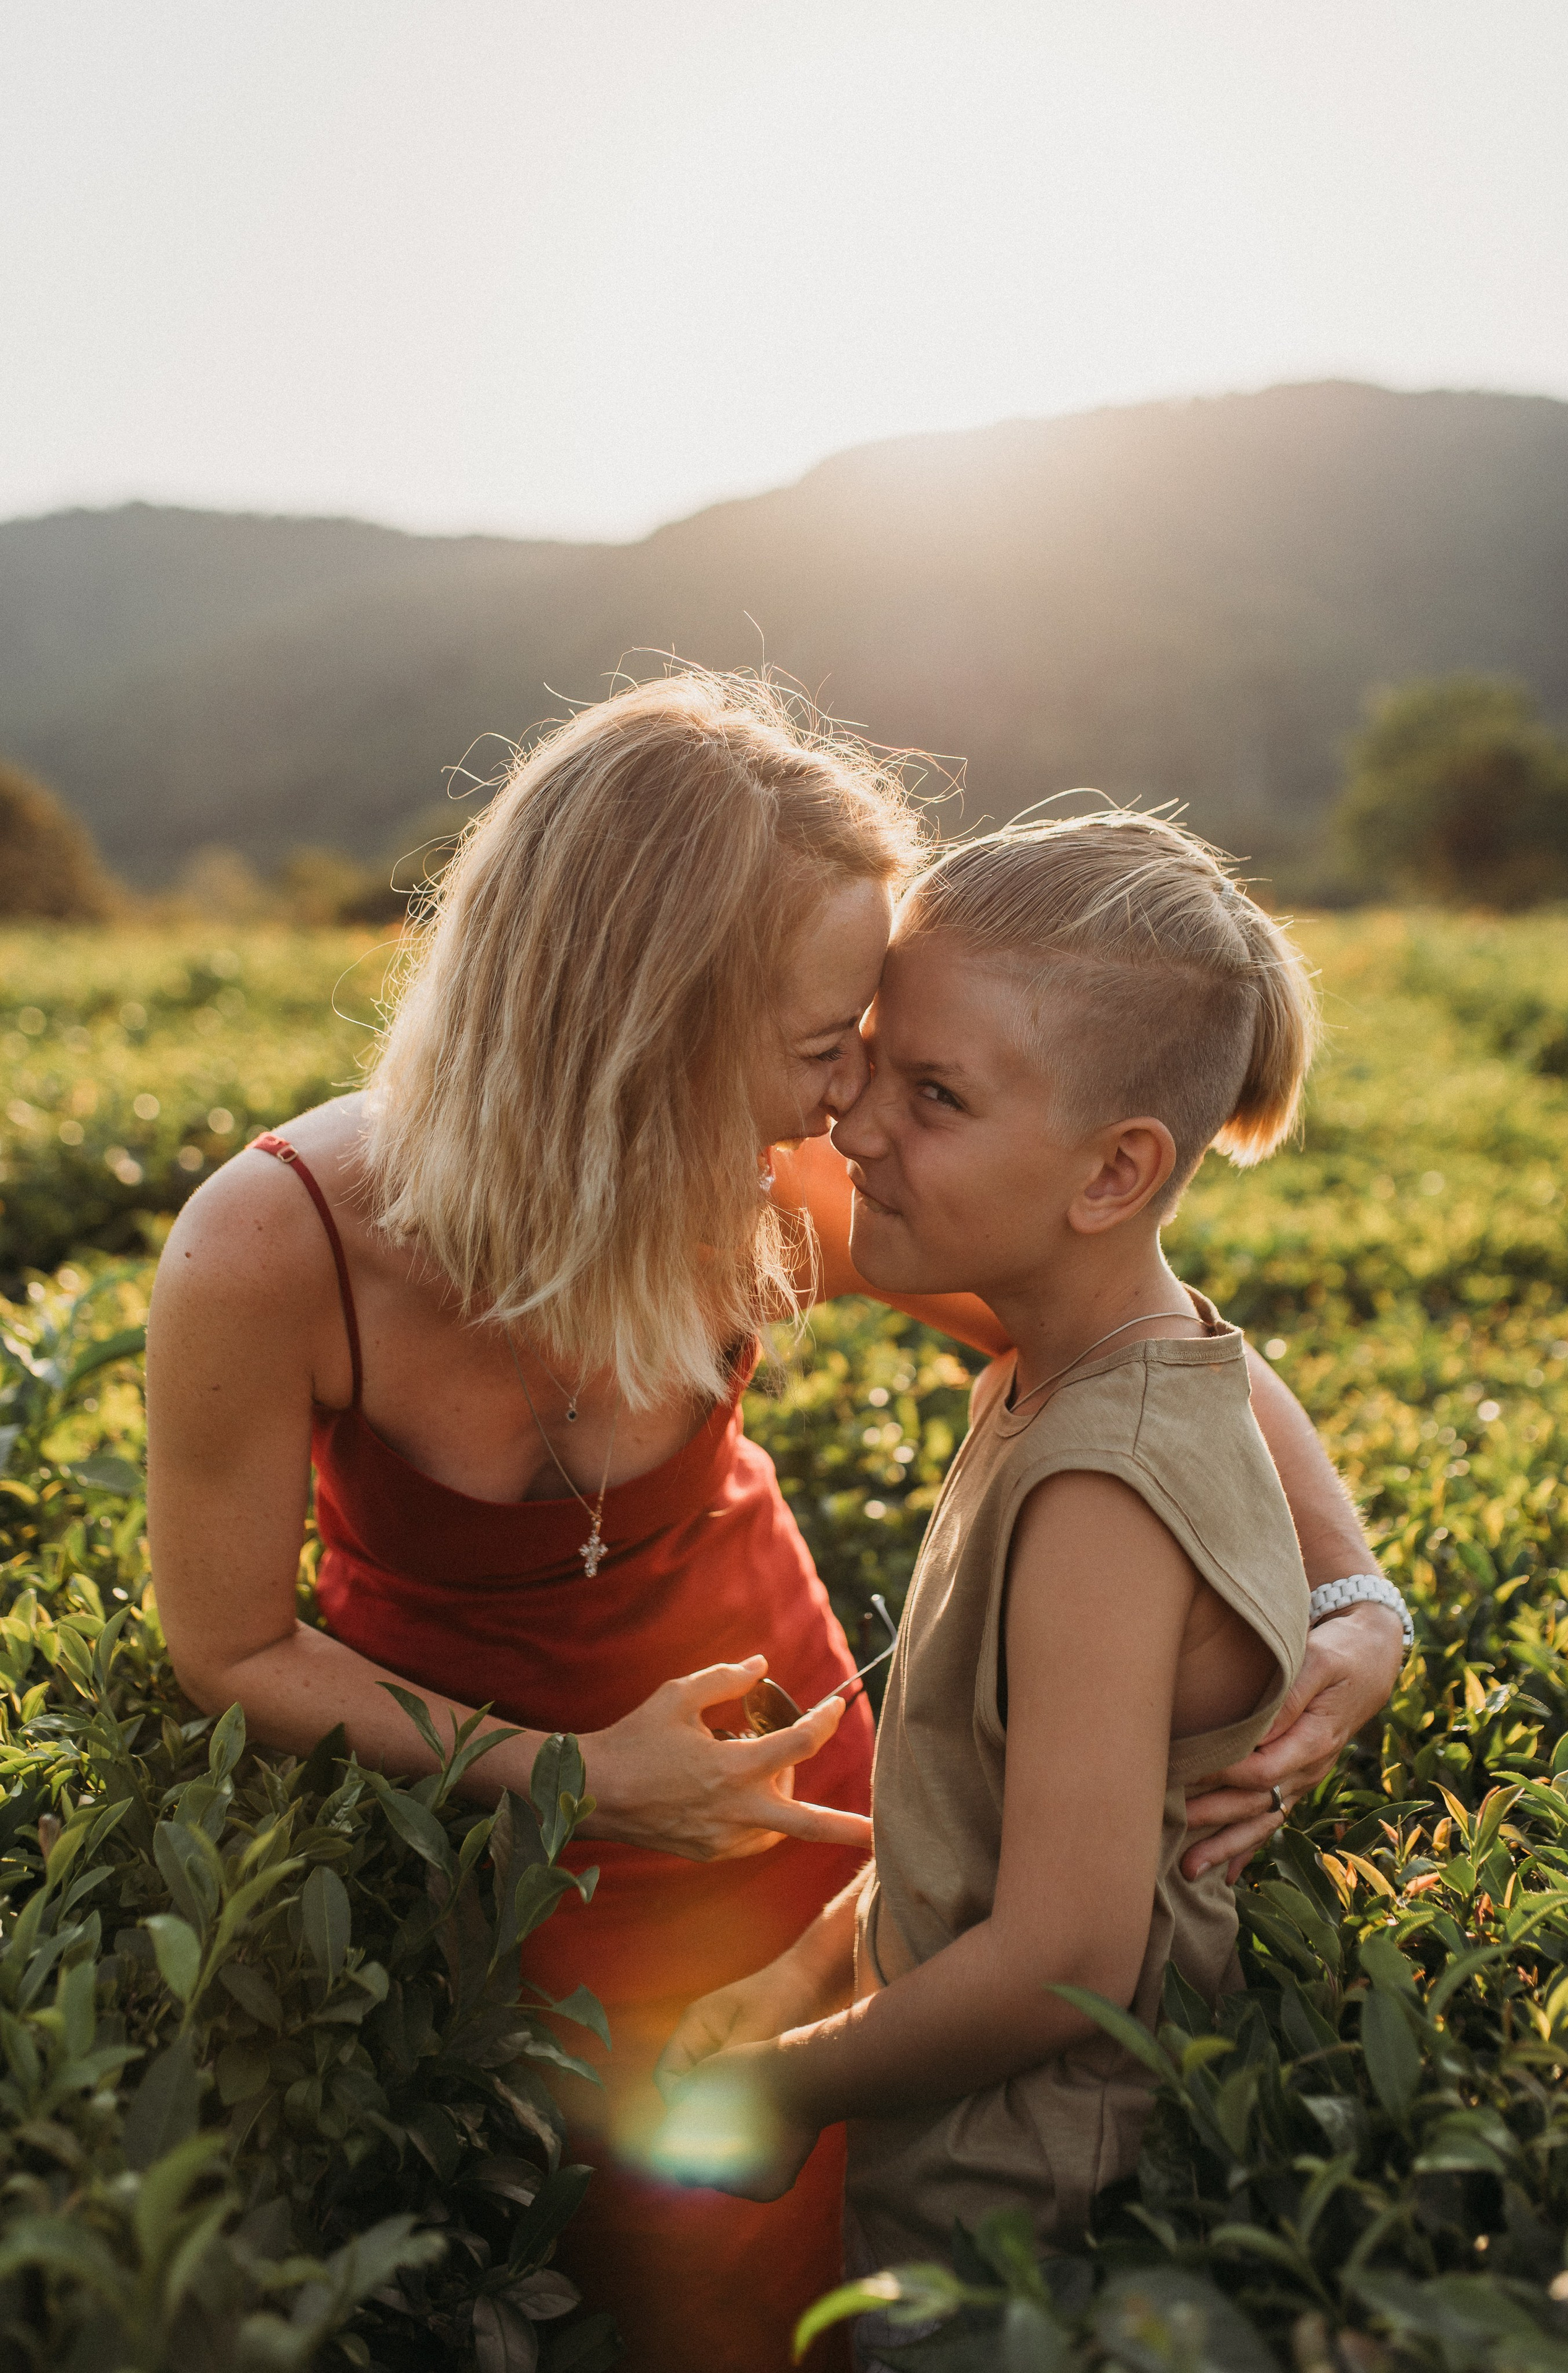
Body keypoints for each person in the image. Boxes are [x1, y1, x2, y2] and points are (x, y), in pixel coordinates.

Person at [147, 675, 1401, 2372]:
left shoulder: (770, 1163)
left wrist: (1355, 1585)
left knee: (814, 2239)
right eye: (828, 1047)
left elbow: (1143, 1332)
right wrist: (562, 1772)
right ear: (647, 1024)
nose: (845, 1105)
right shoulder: (272, 1246)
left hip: (787, 1775)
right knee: (573, 2255)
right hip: (476, 1795)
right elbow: (227, 1641)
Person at [653, 813, 1415, 2294]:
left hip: (1006, 2227)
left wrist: (778, 2090)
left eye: (932, 1094)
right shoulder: (1082, 1361)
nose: (854, 1124)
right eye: (870, 1059)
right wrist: (799, 1973)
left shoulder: (1096, 1495)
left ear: (1112, 1173)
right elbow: (984, 1840)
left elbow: (1063, 1952)